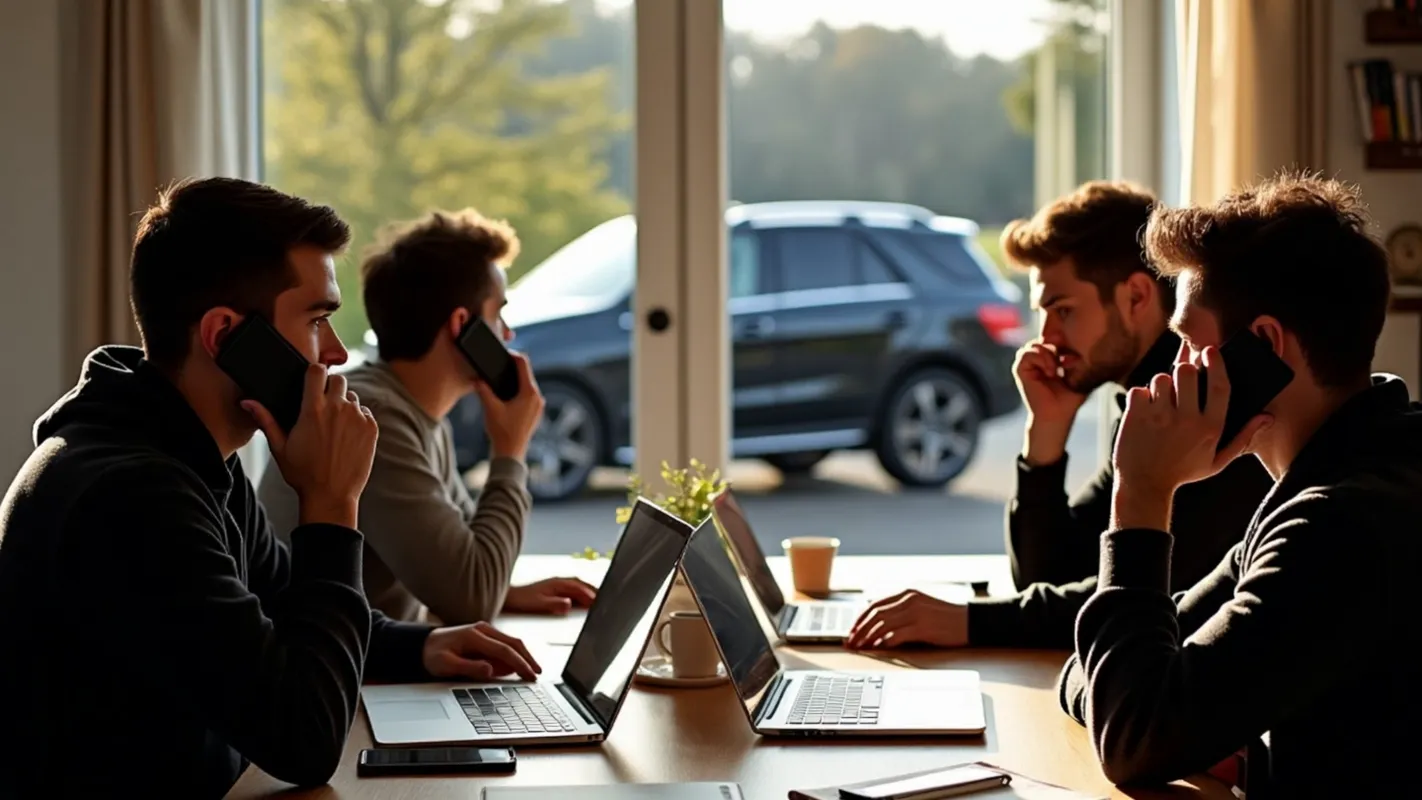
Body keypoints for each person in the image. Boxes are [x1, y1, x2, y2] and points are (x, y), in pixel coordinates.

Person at [0, 178, 542, 798]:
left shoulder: (192, 457)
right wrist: (331, 505)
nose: (336, 354)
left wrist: (423, 647)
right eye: (317, 322)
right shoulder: (131, 497)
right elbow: (304, 741)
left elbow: (285, 603)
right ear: (226, 335)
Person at [1057, 174, 1419, 797]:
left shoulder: (1337, 526)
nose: (1173, 373)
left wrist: (1140, 494)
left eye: (1189, 345)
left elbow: (1130, 736)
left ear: (1265, 348)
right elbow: (1094, 675)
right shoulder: (1344, 471)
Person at [846, 181, 1273, 651]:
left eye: (1063, 310)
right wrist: (1046, 430)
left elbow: (1144, 599)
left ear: (1135, 297)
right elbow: (1048, 577)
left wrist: (967, 623)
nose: (1046, 337)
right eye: (1042, 313)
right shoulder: (1144, 401)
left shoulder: (1200, 408)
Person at [259, 209, 596, 625]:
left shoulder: (415, 413)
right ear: (462, 325)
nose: (507, 334)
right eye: (498, 314)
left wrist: (504, 591)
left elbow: (465, 562)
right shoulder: (378, 418)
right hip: (349, 675)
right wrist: (511, 451)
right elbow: (471, 599)